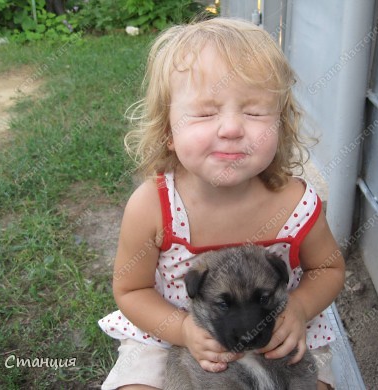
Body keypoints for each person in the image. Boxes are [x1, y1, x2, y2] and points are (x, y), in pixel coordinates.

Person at [98, 17, 345, 390]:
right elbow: (131, 290)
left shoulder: (295, 203)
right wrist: (183, 328)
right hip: (170, 333)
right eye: (205, 112)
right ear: (167, 131)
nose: (231, 128)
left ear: (281, 126)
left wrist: (299, 307)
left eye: (254, 111)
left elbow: (328, 269)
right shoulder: (152, 206)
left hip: (280, 331)